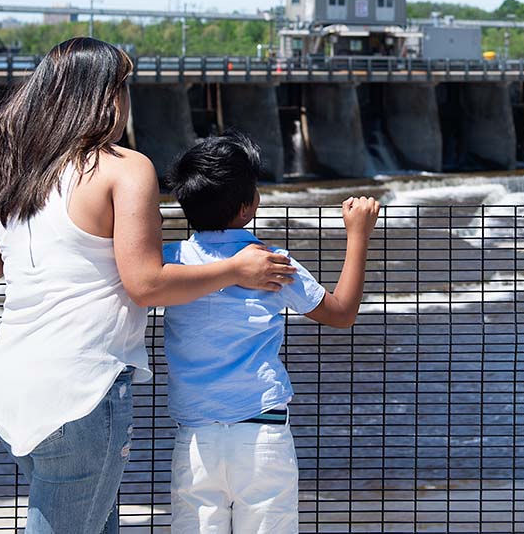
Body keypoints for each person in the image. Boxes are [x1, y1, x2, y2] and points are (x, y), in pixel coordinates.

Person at [0, 38, 298, 534]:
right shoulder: (125, 168)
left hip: (12, 385)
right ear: (105, 96)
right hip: (82, 387)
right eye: (123, 85)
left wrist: (43, 246)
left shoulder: (11, 169)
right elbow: (147, 284)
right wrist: (236, 271)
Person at [161, 131, 379, 534]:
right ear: (248, 206)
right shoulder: (272, 263)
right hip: (261, 428)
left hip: (194, 434)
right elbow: (342, 313)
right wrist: (358, 235)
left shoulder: (168, 265)